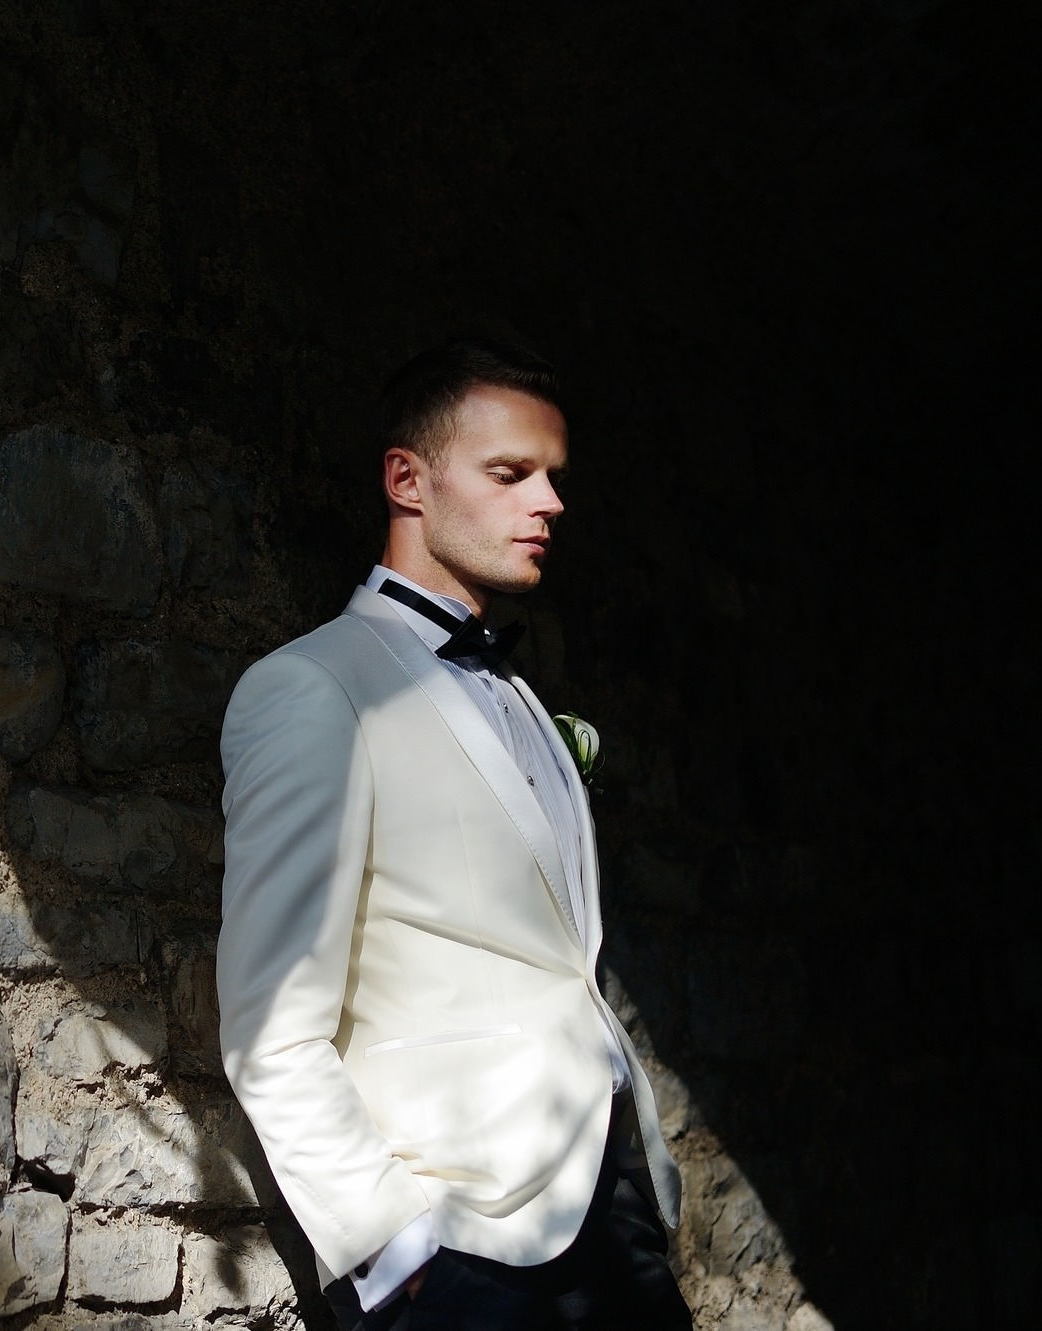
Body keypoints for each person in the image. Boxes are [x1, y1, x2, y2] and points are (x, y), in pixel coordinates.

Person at [216, 339, 691, 1330]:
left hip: (614, 1217)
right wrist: (393, 1250)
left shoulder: (518, 697)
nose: (549, 503)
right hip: (466, 1254)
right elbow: (270, 1024)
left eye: (553, 477)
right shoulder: (313, 689)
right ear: (406, 479)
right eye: (510, 473)